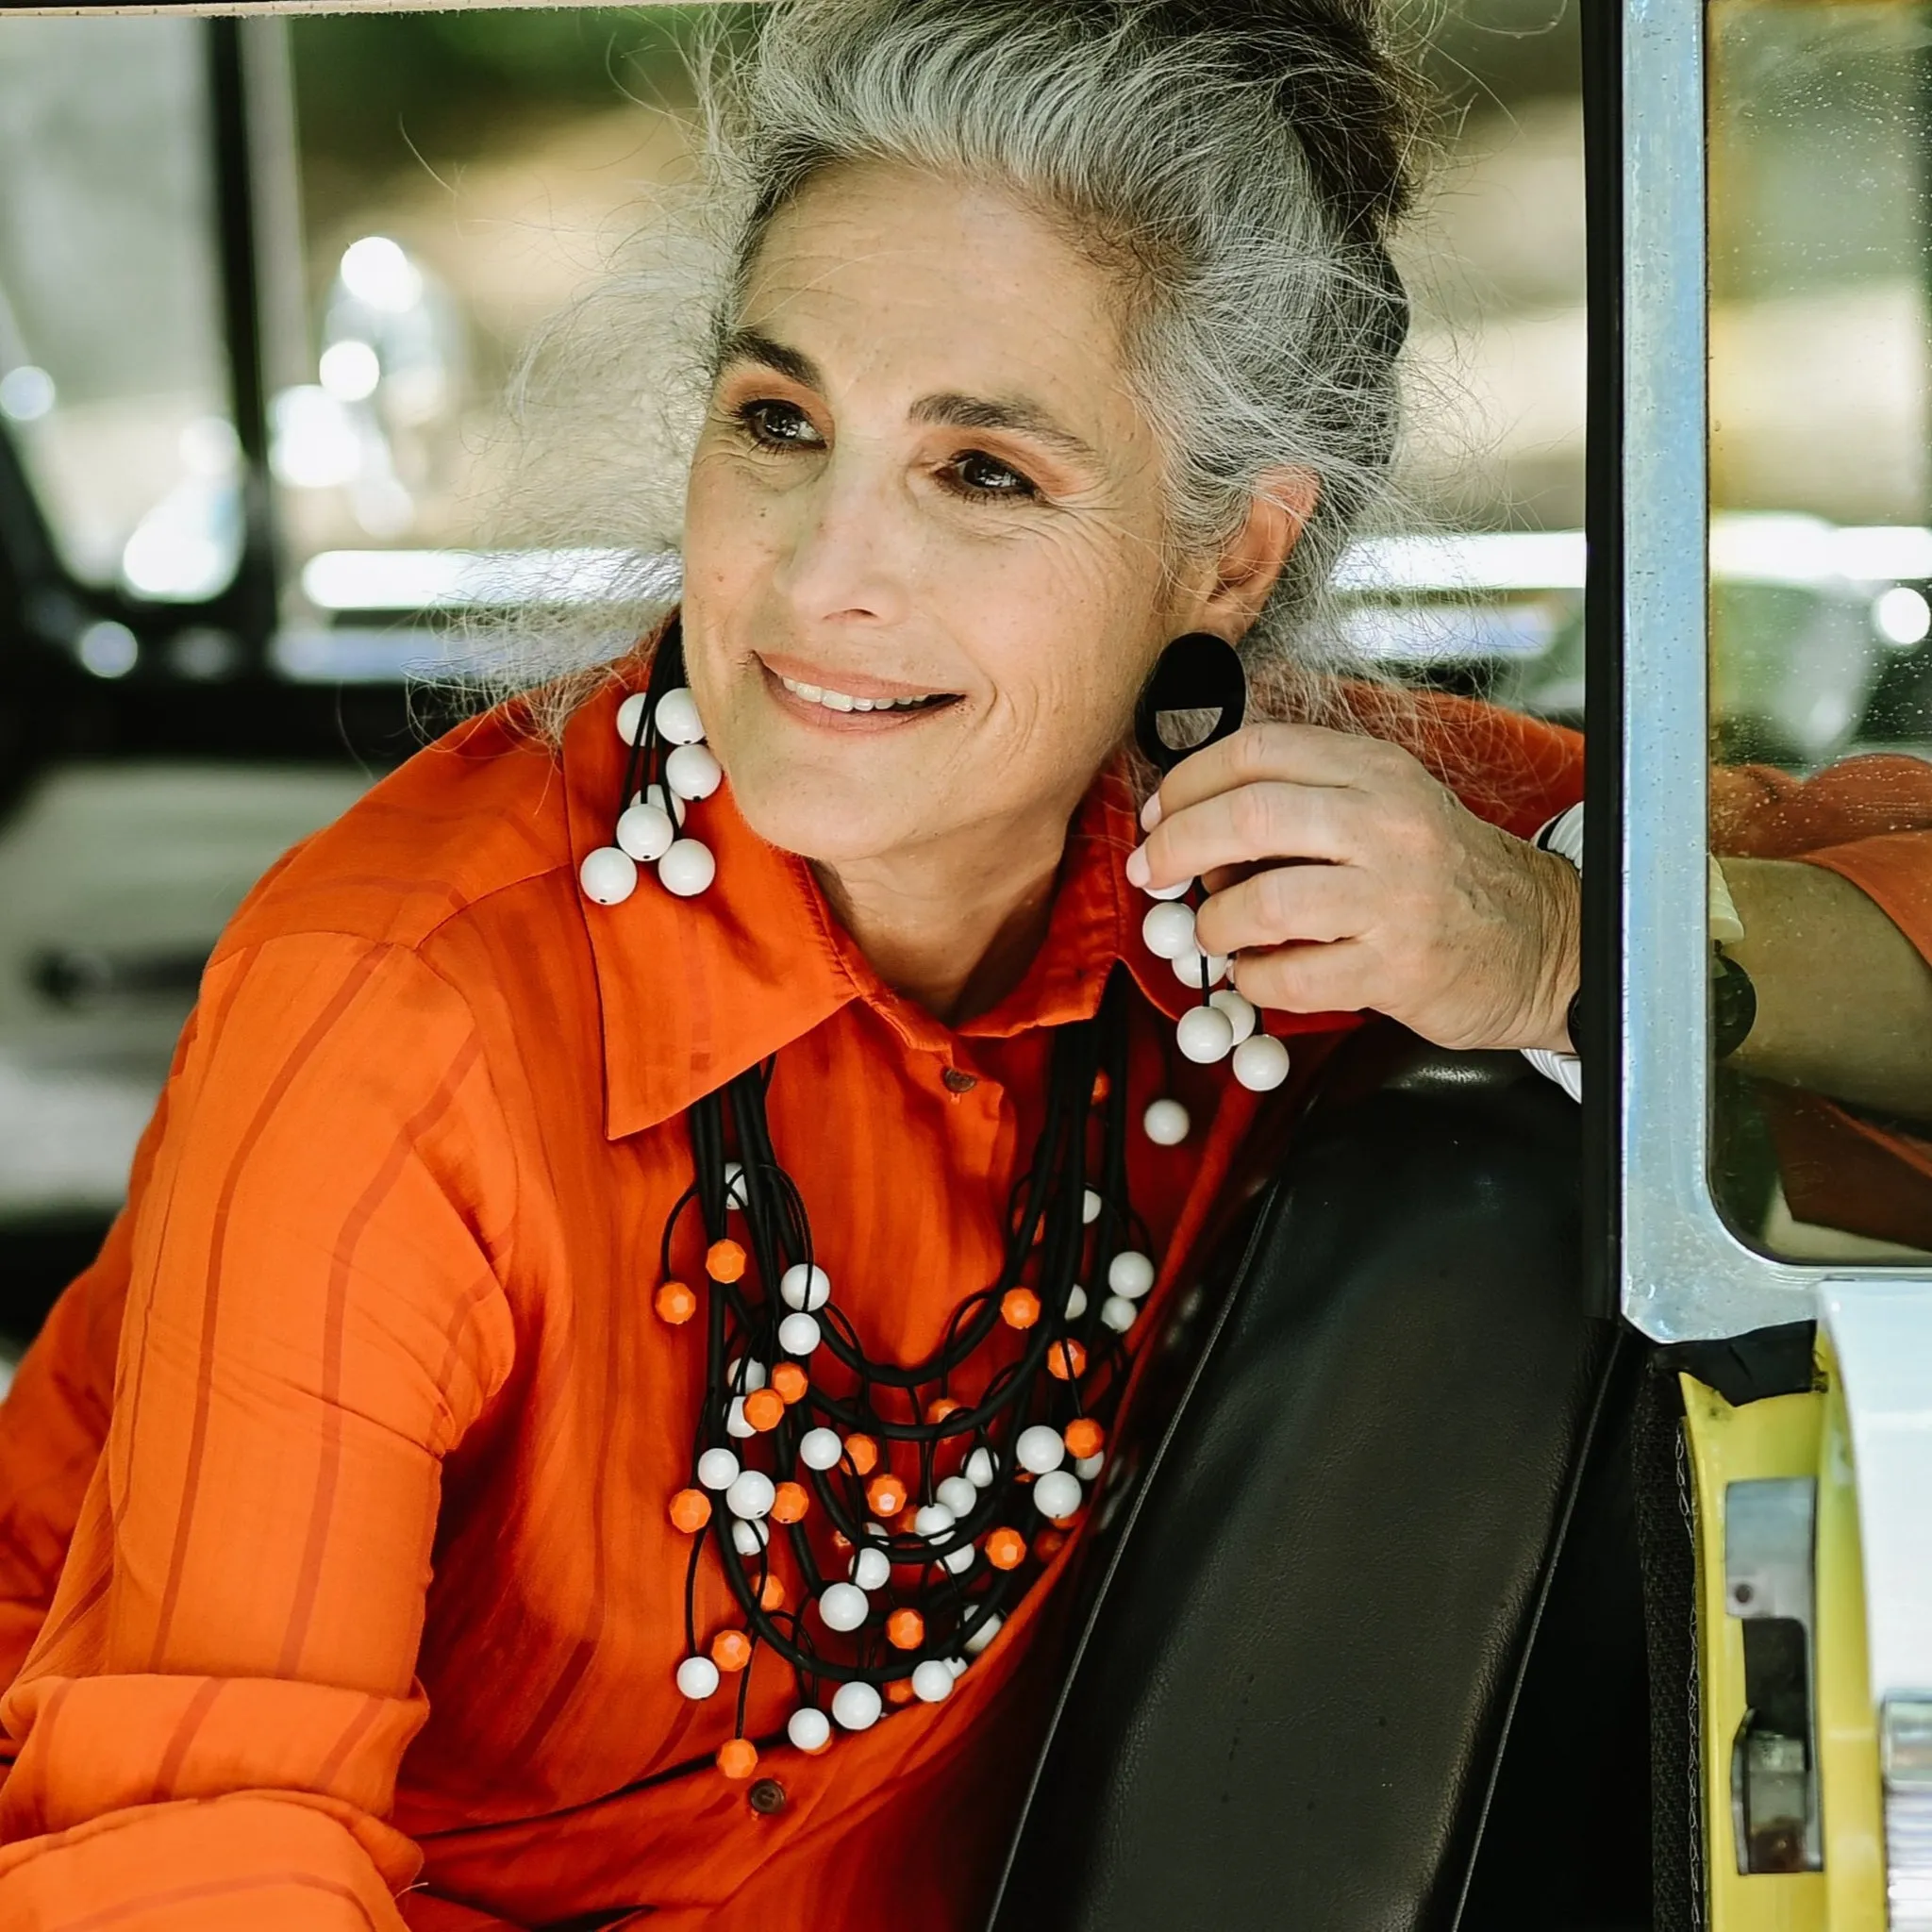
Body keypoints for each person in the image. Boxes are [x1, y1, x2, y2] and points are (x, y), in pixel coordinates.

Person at [0, 2, 1925, 1927]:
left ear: (1228, 563)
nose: (820, 571)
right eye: (777, 422)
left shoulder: (1307, 870)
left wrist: (1570, 946)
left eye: (981, 473)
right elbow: (195, 1844)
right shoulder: (403, 997)